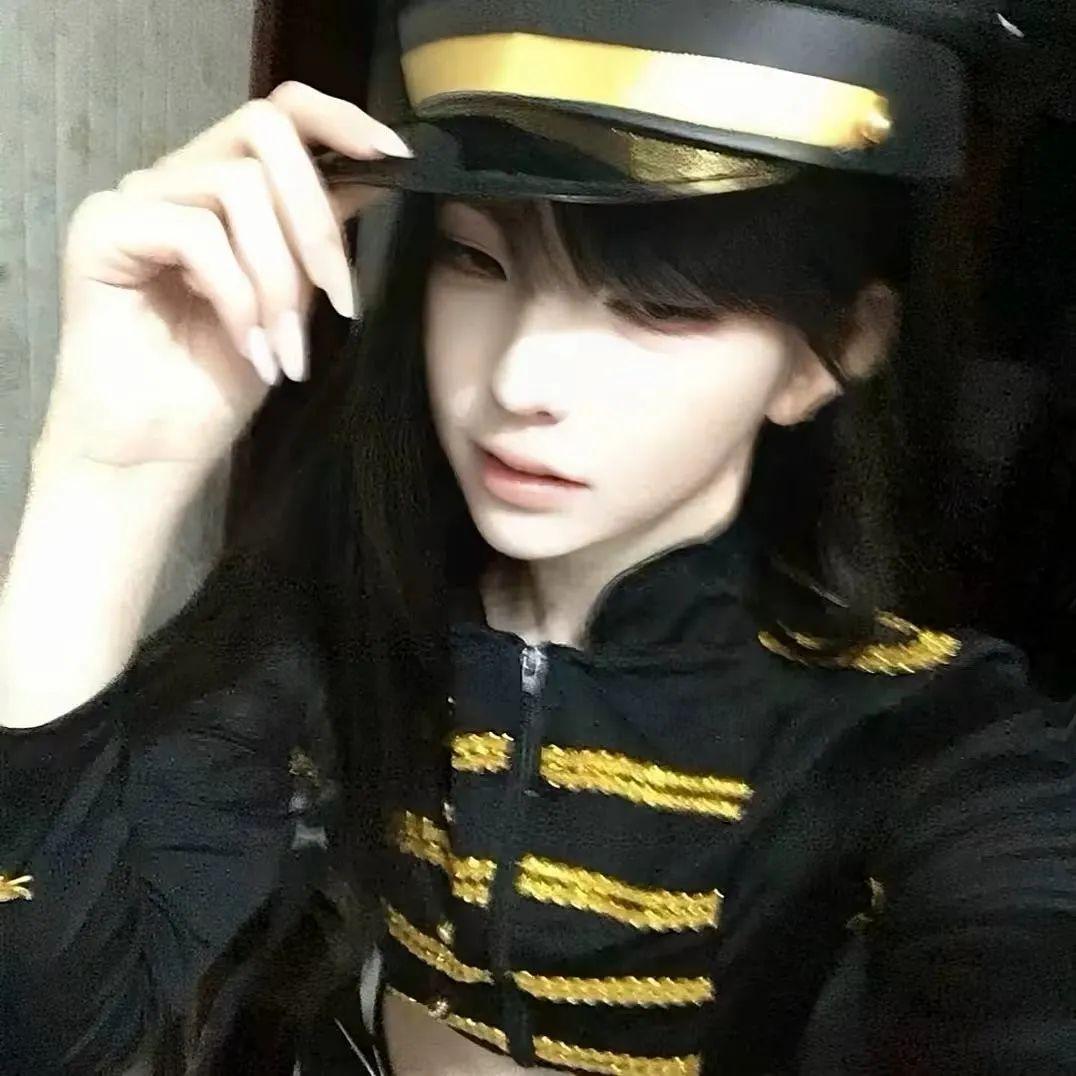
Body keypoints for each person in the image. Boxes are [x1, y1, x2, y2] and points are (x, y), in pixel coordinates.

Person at [2, 1, 1074, 1074]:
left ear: (828, 350)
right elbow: (56, 1031)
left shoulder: (932, 742)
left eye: (659, 305)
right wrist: (105, 478)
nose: (519, 379)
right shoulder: (334, 621)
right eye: (476, 261)